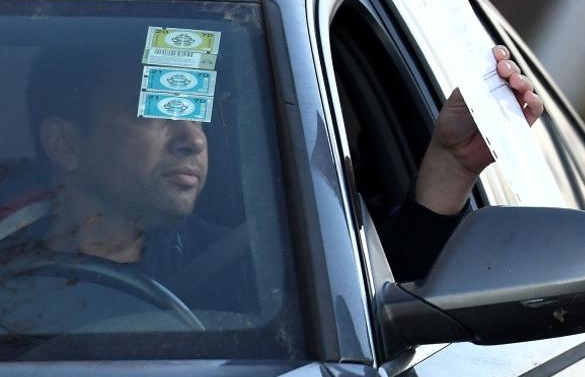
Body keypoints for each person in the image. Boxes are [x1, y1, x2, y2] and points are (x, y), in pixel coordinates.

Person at [0, 43, 541, 297]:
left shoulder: (256, 270)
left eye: (196, 115)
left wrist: (450, 163)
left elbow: (390, 306)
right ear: (64, 143)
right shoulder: (10, 283)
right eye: (156, 112)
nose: (192, 139)